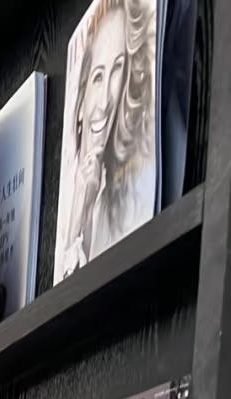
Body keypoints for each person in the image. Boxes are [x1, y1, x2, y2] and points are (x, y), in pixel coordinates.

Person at [60, 0, 157, 277]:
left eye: (117, 69)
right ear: (79, 103)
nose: (105, 102)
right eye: (98, 77)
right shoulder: (66, 203)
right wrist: (76, 223)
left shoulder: (117, 199)